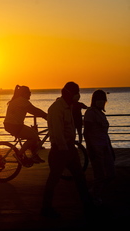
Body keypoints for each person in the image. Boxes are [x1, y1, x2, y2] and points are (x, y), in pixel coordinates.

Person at [41, 82, 93, 218]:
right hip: (60, 150)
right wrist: (64, 150)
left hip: (69, 148)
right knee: (53, 180)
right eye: (76, 91)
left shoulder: (68, 106)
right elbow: (58, 133)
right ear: (68, 93)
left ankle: (87, 205)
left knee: (80, 178)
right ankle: (46, 209)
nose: (78, 94)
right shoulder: (56, 109)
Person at [84, 90, 115, 206]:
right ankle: (95, 197)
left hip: (105, 147)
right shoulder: (90, 113)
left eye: (103, 99)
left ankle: (93, 192)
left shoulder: (101, 113)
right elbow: (86, 132)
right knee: (99, 175)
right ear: (94, 100)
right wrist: (90, 149)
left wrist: (111, 148)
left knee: (111, 174)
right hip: (95, 148)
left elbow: (105, 134)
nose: (101, 101)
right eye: (99, 99)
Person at [3, 85, 47, 165]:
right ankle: (19, 154)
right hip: (14, 125)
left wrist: (44, 115)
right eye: (29, 92)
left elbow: (34, 110)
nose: (30, 94)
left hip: (14, 125)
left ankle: (34, 155)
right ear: (24, 93)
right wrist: (46, 116)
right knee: (33, 137)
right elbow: (34, 110)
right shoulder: (21, 100)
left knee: (34, 134)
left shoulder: (18, 100)